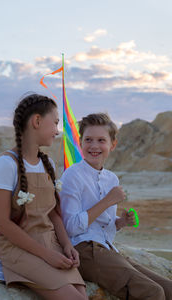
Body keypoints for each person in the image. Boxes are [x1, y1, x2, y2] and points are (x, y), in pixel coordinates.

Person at [0, 93, 88, 300]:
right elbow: (3, 223)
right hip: (20, 248)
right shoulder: (5, 164)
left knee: (82, 296)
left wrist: (66, 245)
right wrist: (47, 255)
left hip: (51, 244)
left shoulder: (47, 163)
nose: (57, 131)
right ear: (37, 121)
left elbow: (53, 214)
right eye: (56, 123)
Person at [59, 113, 172, 300]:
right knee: (152, 292)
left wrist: (120, 222)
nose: (94, 146)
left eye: (101, 140)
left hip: (107, 248)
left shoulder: (112, 179)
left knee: (168, 289)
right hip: (83, 250)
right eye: (88, 140)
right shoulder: (72, 176)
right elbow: (70, 227)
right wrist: (108, 201)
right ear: (80, 142)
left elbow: (104, 226)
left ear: (113, 144)